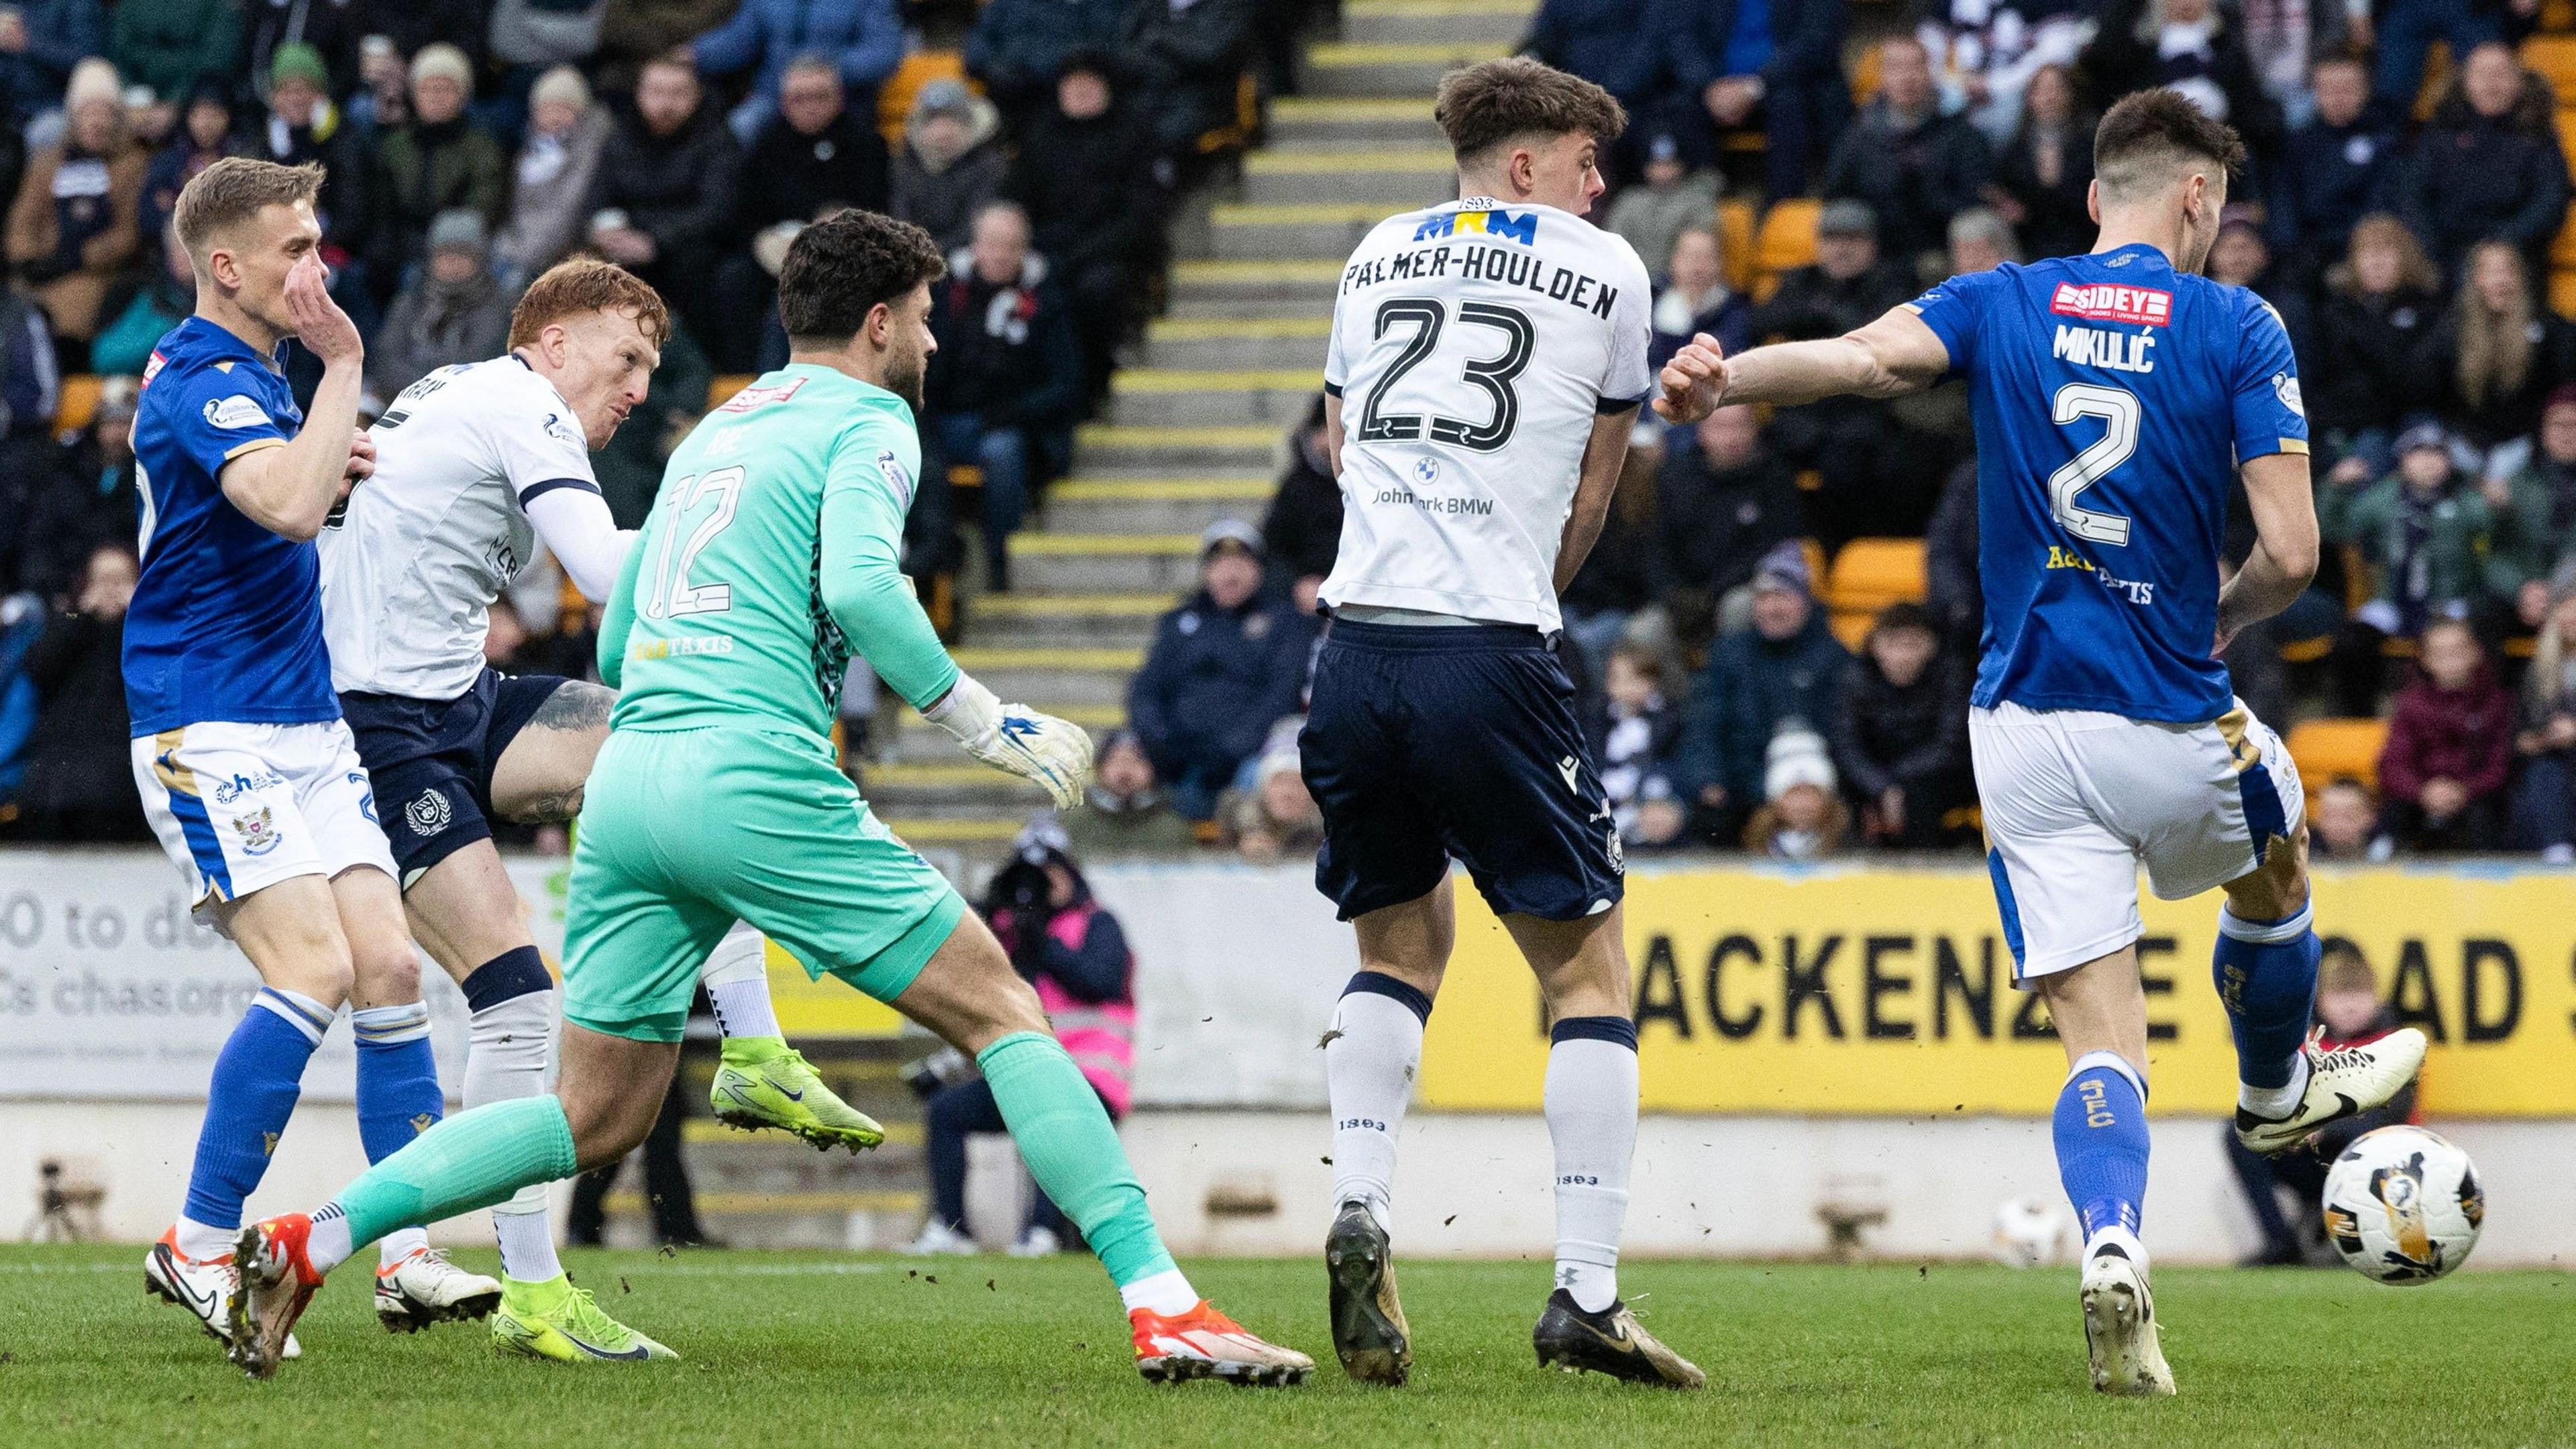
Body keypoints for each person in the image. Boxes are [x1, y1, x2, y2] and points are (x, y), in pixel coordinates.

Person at [227, 209, 1312, 1387]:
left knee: (594, 1118)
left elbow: (629, 613)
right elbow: (860, 581)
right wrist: (977, 718)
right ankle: (1164, 1305)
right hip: (748, 772)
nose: (937, 347)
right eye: (931, 321)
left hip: (637, 781)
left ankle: (310, 1236)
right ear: (882, 320)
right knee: (1003, 1010)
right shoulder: (872, 417)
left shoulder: (719, 427)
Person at [1653, 87, 2425, 1395]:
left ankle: (2115, 1244)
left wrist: (1727, 371)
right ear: (2197, 198)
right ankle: (2277, 1083)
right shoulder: (2237, 322)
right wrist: (2216, 615)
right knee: (2276, 846)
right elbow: (2293, 552)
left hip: (2018, 731)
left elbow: (1857, 360)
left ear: (2091, 199)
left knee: (2100, 1040)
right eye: (2218, 205)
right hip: (2168, 714)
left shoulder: (2005, 298)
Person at [320, 256, 875, 1357]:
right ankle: (525, 1289)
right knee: (520, 1002)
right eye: (627, 359)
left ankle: (754, 1051)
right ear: (557, 340)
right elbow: (611, 575)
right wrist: (771, 559)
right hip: (380, 729)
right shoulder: (520, 399)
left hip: (455, 703)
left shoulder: (470, 400)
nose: (635, 387)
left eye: (649, 369)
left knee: (678, 741)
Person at [1304, 57, 1703, 1390]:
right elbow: (1597, 482)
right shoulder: (1607, 270)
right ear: (1527, 163)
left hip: (1354, 647)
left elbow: (1344, 447)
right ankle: (1585, 1294)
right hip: (1489, 643)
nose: (1603, 186)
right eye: (1588, 161)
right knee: (1586, 975)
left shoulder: (1372, 256)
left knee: (1399, 945)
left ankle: (1362, 1202)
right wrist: (1528, 595)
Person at [125, 157, 490, 1359]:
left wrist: (335, 453)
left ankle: (407, 1256)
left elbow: (282, 510)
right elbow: (281, 507)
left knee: (390, 970)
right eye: (294, 250)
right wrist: (344, 376)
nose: (315, 268)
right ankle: (195, 1238)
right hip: (207, 722)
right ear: (225, 267)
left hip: (303, 720)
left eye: (319, 241)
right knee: (316, 969)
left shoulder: (262, 378)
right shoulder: (204, 373)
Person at [909, 823, 1138, 1256]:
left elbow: (1101, 981)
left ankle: (1042, 1232)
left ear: (1070, 873)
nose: (1037, 885)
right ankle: (951, 1228)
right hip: (1030, 1068)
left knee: (1050, 1112)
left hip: (1091, 1076)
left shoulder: (1097, 923)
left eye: (1049, 872)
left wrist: (1042, 942)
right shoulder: (1009, 935)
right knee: (946, 1113)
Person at [922, 200, 1084, 592]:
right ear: (974, 247)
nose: (1000, 254)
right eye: (992, 244)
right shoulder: (942, 297)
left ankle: (1000, 562)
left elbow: (1066, 382)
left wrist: (1015, 411)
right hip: (947, 417)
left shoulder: (1047, 300)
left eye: (1011, 245)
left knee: (1003, 451)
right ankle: (935, 559)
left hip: (1011, 423)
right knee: (912, 450)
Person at [2224, 943, 2416, 1266]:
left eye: (2359, 995)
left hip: (2376, 1170)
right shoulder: (2303, 1044)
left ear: (2377, 999)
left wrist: (2323, 1129)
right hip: (2313, 1162)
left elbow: (2387, 1119)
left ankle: (2365, 1241)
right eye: (2341, 996)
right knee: (2240, 1136)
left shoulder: (2397, 1045)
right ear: (2322, 1001)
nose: (2350, 1006)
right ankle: (2281, 1242)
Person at [1126, 520, 1314, 820]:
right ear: (1206, 571)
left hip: (1248, 754)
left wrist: (1231, 748)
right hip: (1176, 753)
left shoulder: (1284, 623)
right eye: (1221, 563)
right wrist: (1161, 741)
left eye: (1241, 562)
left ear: (1259, 570)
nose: (1230, 573)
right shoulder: (1179, 621)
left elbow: (1282, 695)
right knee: (1125, 764)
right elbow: (1146, 689)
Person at [1672, 544, 1849, 843]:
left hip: (1814, 791)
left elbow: (1845, 736)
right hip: (1744, 787)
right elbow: (1705, 724)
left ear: (1805, 602)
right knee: (1708, 816)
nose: (1772, 608)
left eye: (1783, 596)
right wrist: (1709, 779)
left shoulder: (1834, 657)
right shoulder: (1729, 653)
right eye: (1764, 598)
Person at [585, 56, 739, 356]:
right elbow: (597, 199)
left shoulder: (718, 138)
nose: (666, 103)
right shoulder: (620, 137)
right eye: (656, 93)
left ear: (696, 97)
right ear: (639, 95)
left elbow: (717, 211)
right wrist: (605, 230)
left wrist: (655, 241)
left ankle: (693, 368)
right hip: (628, 244)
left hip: (689, 248)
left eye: (678, 93)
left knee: (698, 267)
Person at [7, 543, 149, 842]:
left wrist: (137, 615)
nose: (111, 591)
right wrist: (82, 615)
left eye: (120, 581)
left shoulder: (147, 631)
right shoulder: (69, 624)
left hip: (125, 769)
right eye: (103, 581)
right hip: (61, 770)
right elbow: (38, 670)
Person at [2397, 41, 2570, 279]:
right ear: (2465, 81)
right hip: (2445, 255)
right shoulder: (2441, 127)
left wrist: (2502, 243)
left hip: (2514, 257)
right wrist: (2432, 246)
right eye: (2481, 74)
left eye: (2500, 74)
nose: (2491, 84)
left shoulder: (2537, 130)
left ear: (2518, 81)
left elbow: (2550, 199)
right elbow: (2413, 193)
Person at [7, 58, 144, 356]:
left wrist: (79, 257)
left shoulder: (130, 165)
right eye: (88, 112)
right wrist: (31, 259)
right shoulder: (46, 165)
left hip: (95, 275)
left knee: (64, 322)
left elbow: (128, 232)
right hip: (41, 273)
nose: (97, 122)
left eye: (105, 112)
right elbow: (22, 223)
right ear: (74, 117)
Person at [1820, 36, 1992, 270]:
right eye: (1896, 67)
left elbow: (1975, 202)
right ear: (1882, 76)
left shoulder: (1961, 135)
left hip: (1942, 256)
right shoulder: (1858, 138)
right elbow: (1835, 196)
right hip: (1876, 261)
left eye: (1916, 66)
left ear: (1930, 72)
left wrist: (1926, 190)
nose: (1907, 77)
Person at [358, 44, 506, 309]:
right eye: (427, 89)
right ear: (415, 94)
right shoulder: (396, 145)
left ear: (462, 95)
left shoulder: (481, 148)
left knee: (415, 278)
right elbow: (382, 207)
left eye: (445, 89)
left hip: (452, 247)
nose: (436, 97)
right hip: (401, 245)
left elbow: (481, 209)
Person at [2308, 215, 2440, 486]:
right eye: (2367, 253)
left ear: (2406, 259)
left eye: (2387, 253)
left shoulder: (2428, 310)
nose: (2377, 262)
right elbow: (2321, 385)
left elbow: (2423, 381)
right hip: (2353, 428)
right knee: (2370, 447)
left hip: (2412, 420)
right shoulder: (2334, 312)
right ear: (2353, 261)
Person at [1830, 601, 1969, 850]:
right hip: (1871, 778)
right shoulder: (1856, 678)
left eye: (1913, 645)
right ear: (1875, 646)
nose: (1903, 656)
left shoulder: (1950, 677)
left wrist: (1898, 783)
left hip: (1932, 780)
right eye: (1894, 645)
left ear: (1931, 647)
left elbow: (1951, 745)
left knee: (1921, 794)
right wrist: (1881, 787)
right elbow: (1846, 744)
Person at [1656, 403, 1804, 637]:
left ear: (1755, 429)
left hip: (1747, 587)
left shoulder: (1775, 478)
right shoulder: (1676, 478)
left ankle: (1731, 673)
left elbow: (1774, 546)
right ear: (1701, 432)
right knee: (1645, 630)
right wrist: (1672, 593)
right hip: (1685, 592)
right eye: (1721, 428)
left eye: (1740, 426)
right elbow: (1659, 546)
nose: (1732, 437)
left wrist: (1714, 592)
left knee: (1738, 607)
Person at [2377, 616, 2512, 851]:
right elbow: (2392, 764)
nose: (2450, 661)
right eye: (2439, 654)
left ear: (2476, 653)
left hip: (2474, 798)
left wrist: (2465, 790)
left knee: (2490, 814)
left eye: (2457, 652)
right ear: (2425, 661)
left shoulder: (2496, 703)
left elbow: (2501, 764)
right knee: (2394, 811)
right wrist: (2422, 792)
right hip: (2420, 798)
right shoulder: (2411, 704)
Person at [2265, 56, 2398, 288]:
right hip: (2307, 253)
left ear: (2366, 91)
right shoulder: (2296, 144)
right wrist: (2293, 255)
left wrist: (2355, 254)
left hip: (2362, 250)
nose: (2338, 98)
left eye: (2347, 89)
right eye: (2327, 89)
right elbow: (2284, 206)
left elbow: (2381, 205)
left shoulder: (2386, 142)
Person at [691, 0, 902, 143]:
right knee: (737, 132)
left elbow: (885, 52)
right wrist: (694, 55)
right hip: (774, 97)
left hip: (842, 102)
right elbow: (737, 42)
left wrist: (830, 70)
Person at [366, 209, 511, 397]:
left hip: (468, 400)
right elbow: (386, 356)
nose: (452, 262)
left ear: (480, 259)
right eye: (444, 254)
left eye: (463, 254)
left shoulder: (497, 306)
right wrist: (420, 388)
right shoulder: (412, 300)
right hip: (403, 397)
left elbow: (477, 361)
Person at [492, 66, 610, 288]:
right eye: (547, 109)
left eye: (565, 109)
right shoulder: (529, 150)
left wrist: (521, 253)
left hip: (555, 252)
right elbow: (513, 209)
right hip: (516, 247)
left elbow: (567, 210)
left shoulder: (587, 151)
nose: (555, 117)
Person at [1986, 62, 2095, 266]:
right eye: (2042, 91)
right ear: (2030, 98)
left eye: (2057, 89)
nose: (2050, 98)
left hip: (2082, 239)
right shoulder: (2016, 147)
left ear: (2071, 95)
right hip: (2029, 240)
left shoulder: (2091, 143)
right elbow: (1999, 189)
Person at [890, 78, 1007, 254]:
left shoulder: (989, 163)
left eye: (952, 118)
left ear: (968, 122)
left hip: (967, 254)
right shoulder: (905, 162)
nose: (942, 131)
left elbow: (975, 224)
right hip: (915, 252)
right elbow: (901, 219)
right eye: (933, 120)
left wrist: (938, 250)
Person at [1590, 643, 1683, 851]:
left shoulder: (1670, 718)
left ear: (1653, 682)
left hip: (1654, 801)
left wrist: (1651, 800)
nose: (1625, 688)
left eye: (1634, 679)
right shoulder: (1597, 719)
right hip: (1606, 803)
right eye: (1617, 680)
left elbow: (1673, 763)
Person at [2512, 572, 2576, 858]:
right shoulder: (2539, 669)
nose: (2572, 615)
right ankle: (2557, 850)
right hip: (2553, 764)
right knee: (2543, 772)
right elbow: (2522, 740)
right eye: (2566, 606)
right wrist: (2548, 738)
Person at [1259, 395, 1342, 611]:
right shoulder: (1295, 488)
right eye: (1326, 429)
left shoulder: (1367, 486)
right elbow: (1275, 550)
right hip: (1304, 599)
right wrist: (1297, 585)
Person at [1603, 135, 1718, 290]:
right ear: (1646, 167)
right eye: (1657, 164)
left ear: (1681, 165)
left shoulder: (1697, 202)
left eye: (1669, 164)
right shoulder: (1629, 201)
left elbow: (1699, 253)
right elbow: (1613, 247)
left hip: (1679, 288)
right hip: (1631, 284)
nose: (1663, 171)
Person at [1060, 728, 1198, 856]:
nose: (1125, 771)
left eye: (1136, 761)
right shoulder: (1073, 824)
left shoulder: (1173, 829)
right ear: (1100, 769)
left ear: (1153, 770)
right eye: (1116, 761)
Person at [1648, 226, 1748, 373]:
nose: (1698, 269)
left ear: (1720, 264)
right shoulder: (1652, 300)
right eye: (1691, 257)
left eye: (1707, 258)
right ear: (1674, 261)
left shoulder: (1734, 311)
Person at [1740, 726, 1848, 858]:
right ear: (1776, 800)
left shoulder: (1849, 842)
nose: (1803, 805)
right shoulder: (1750, 843)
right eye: (1794, 793)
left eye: (1811, 792)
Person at [2308, 776, 2382, 861]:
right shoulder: (2300, 855)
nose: (2338, 825)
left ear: (2369, 818)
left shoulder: (2388, 853)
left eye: (2348, 816)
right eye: (2329, 815)